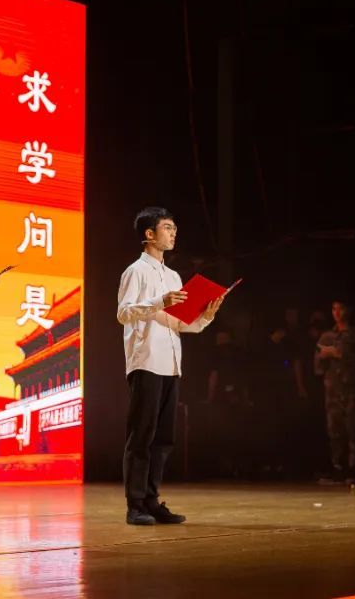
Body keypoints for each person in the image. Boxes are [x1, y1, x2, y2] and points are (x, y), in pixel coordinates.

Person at [116, 207, 223, 525]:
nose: (173, 232)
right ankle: (135, 504)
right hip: (146, 360)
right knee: (141, 436)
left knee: (164, 439)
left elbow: (179, 324)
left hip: (172, 363)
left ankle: (151, 500)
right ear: (149, 234)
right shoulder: (136, 271)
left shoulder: (174, 277)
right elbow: (123, 313)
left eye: (174, 227)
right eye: (167, 227)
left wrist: (205, 317)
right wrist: (159, 302)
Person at [314, 300, 355, 484]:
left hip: (351, 388)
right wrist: (329, 353)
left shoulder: (353, 334)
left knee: (353, 429)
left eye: (341, 308)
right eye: (334, 309)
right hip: (332, 390)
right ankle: (337, 467)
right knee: (335, 430)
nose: (337, 312)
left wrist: (335, 353)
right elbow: (317, 364)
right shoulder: (327, 336)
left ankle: (354, 468)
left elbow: (351, 356)